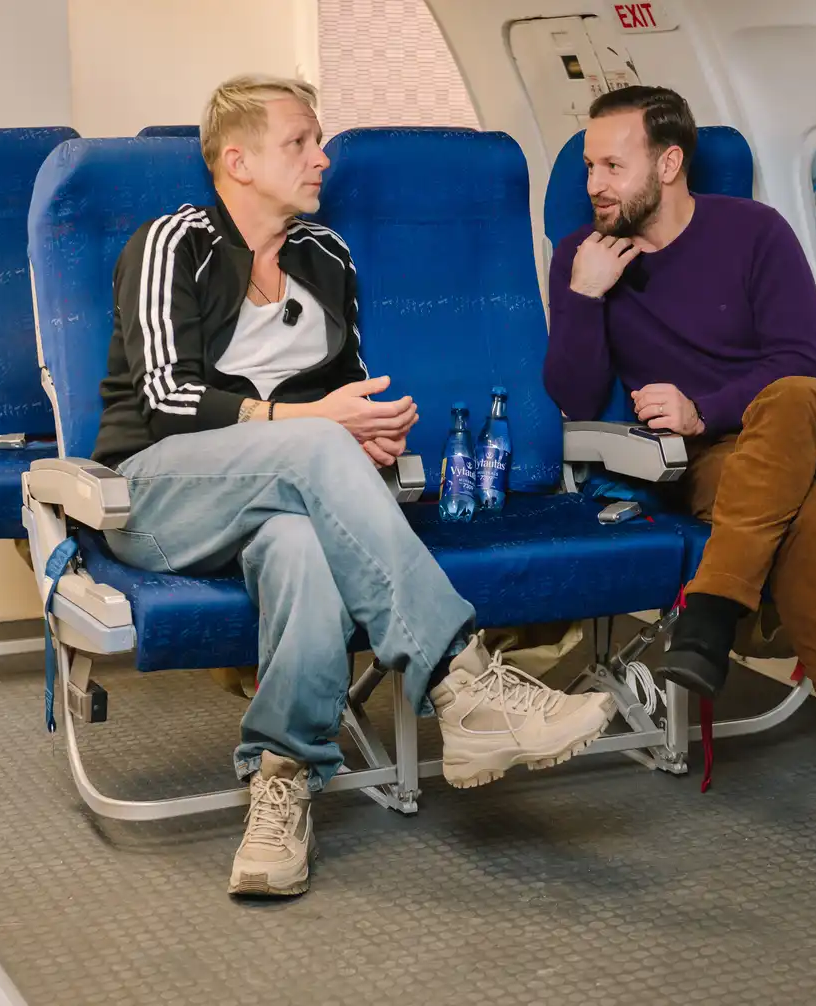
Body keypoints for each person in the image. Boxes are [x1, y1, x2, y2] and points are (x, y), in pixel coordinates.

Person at [90, 75, 616, 897]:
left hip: (283, 496)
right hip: (157, 494)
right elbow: (165, 400)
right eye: (299, 142)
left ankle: (281, 780)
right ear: (238, 161)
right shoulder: (172, 243)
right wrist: (315, 424)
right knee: (311, 444)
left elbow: (345, 393)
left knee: (301, 548)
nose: (322, 159)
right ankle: (463, 679)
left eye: (318, 140)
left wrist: (367, 433)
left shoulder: (326, 257)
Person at [543, 85, 816, 845]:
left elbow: (801, 362)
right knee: (808, 523)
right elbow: (572, 397)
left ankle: (710, 610)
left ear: (669, 164)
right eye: (589, 166)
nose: (594, 183)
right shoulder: (583, 258)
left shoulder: (755, 231)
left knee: (791, 399)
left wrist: (701, 408)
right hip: (720, 467)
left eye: (612, 165)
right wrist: (583, 297)